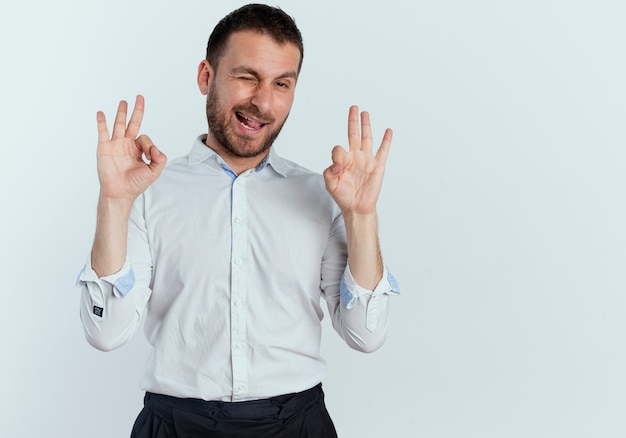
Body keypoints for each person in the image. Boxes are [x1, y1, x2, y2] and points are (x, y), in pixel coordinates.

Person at [77, 3, 399, 437]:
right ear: (206, 77)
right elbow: (106, 332)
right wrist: (114, 203)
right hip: (174, 426)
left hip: (297, 425)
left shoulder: (324, 195)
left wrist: (361, 216)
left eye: (281, 83)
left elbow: (366, 335)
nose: (263, 102)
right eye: (247, 77)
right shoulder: (147, 192)